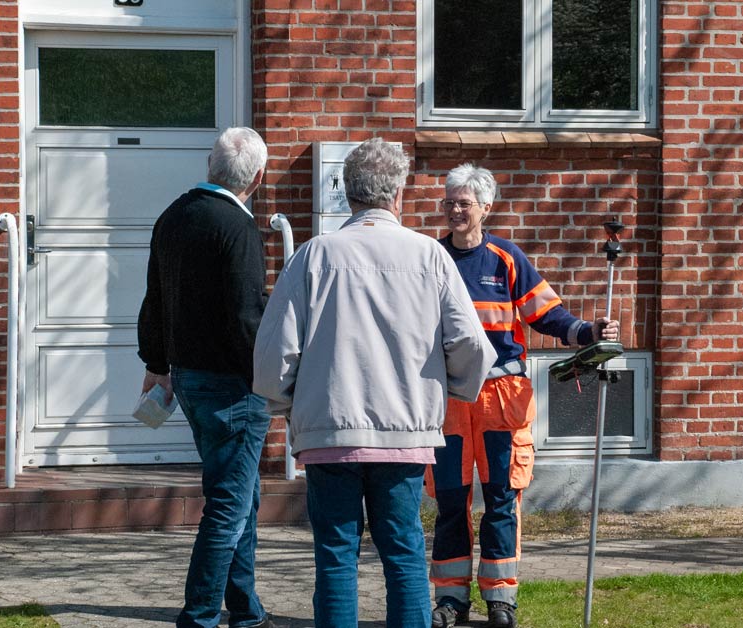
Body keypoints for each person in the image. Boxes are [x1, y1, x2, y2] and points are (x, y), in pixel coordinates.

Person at [252, 138, 495, 628]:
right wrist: (451, 391)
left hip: (330, 432)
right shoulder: (430, 257)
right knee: (403, 554)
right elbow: (470, 342)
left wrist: (285, 401)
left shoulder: (313, 256)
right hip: (404, 433)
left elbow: (276, 351)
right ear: (399, 194)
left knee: (336, 556)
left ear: (347, 193)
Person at [427, 164, 621, 628]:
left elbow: (546, 314)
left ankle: (501, 599)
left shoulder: (506, 257)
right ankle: (451, 599)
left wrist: (588, 331)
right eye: (450, 202)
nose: (455, 210)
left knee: (501, 497)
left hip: (502, 395)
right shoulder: (429, 257)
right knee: (451, 500)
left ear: (485, 208)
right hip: (448, 399)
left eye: (464, 203)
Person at [137, 127, 274, 628]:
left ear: (209, 164)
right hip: (232, 385)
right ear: (257, 178)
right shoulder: (236, 227)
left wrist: (155, 364)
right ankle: (198, 616)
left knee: (242, 495)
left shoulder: (174, 215)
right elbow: (246, 317)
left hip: (189, 379)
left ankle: (245, 608)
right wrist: (272, 380)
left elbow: (154, 297)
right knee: (229, 504)